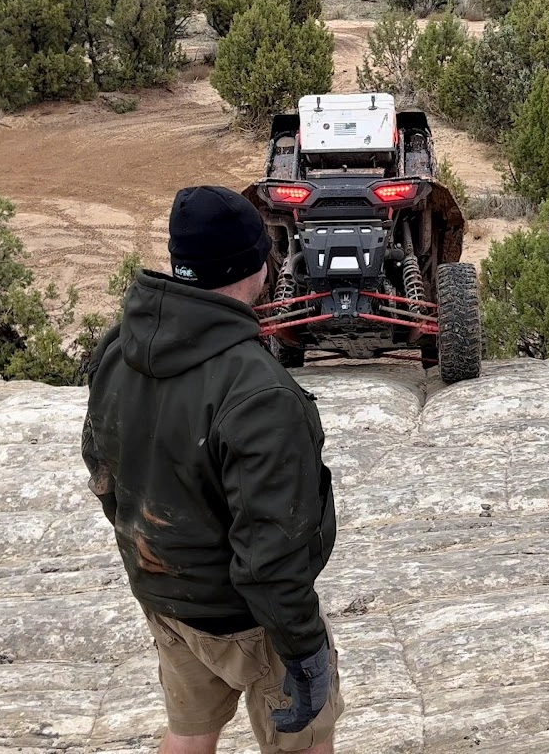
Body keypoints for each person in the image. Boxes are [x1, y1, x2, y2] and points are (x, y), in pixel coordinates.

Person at [82, 185, 343, 754]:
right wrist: (302, 650)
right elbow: (272, 552)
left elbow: (106, 475)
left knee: (190, 733)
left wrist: (162, 557)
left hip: (166, 598)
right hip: (249, 619)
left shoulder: (118, 347)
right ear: (254, 264)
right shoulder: (258, 392)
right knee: (304, 744)